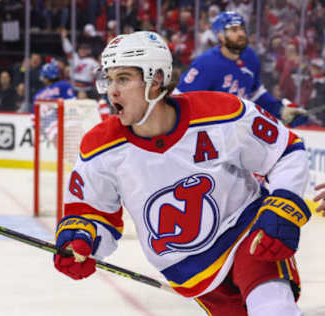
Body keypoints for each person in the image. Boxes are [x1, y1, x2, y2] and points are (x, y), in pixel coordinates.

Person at [53, 31, 310, 316]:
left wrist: (283, 208)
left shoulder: (222, 113)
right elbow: (91, 213)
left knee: (273, 307)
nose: (112, 90)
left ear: (156, 81)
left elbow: (285, 150)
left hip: (247, 234)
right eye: (109, 79)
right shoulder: (100, 148)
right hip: (192, 272)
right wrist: (82, 240)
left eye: (123, 79)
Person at [174, 11, 307, 127]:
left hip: (238, 133)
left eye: (242, 29)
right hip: (209, 134)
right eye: (234, 30)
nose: (241, 33)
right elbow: (179, 100)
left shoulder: (250, 57)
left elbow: (256, 94)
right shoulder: (206, 63)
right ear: (220, 36)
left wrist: (280, 110)